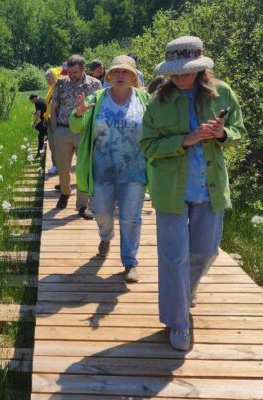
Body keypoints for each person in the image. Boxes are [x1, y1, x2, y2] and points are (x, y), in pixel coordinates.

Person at [140, 36, 246, 351]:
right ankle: (179, 322)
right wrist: (184, 140)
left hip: (209, 186)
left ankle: (187, 289)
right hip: (170, 189)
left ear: (201, 69)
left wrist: (223, 133)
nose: (182, 77)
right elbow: (147, 146)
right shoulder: (157, 101)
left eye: (188, 70)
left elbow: (239, 132)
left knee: (207, 251)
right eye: (176, 72)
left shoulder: (222, 93)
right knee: (174, 258)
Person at [71, 55, 150, 283]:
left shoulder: (144, 100)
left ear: (134, 77)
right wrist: (78, 113)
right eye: (116, 72)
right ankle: (106, 237)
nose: (120, 76)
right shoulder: (97, 99)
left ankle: (130, 261)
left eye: (126, 72)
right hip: (102, 169)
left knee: (131, 217)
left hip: (134, 172)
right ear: (109, 76)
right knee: (101, 212)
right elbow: (77, 126)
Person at [50, 55, 102, 218]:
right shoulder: (61, 83)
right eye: (70, 72)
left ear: (83, 69)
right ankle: (65, 193)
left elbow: (99, 109)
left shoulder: (95, 84)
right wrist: (55, 129)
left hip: (84, 131)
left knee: (83, 169)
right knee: (63, 168)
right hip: (63, 130)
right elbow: (54, 107)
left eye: (75, 72)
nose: (72, 75)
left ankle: (82, 204)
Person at [44, 68, 63, 175]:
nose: (47, 80)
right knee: (52, 145)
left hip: (57, 121)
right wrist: (44, 117)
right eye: (46, 79)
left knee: (58, 145)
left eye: (49, 78)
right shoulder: (51, 88)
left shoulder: (59, 88)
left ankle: (60, 166)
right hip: (49, 120)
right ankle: (55, 165)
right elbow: (48, 105)